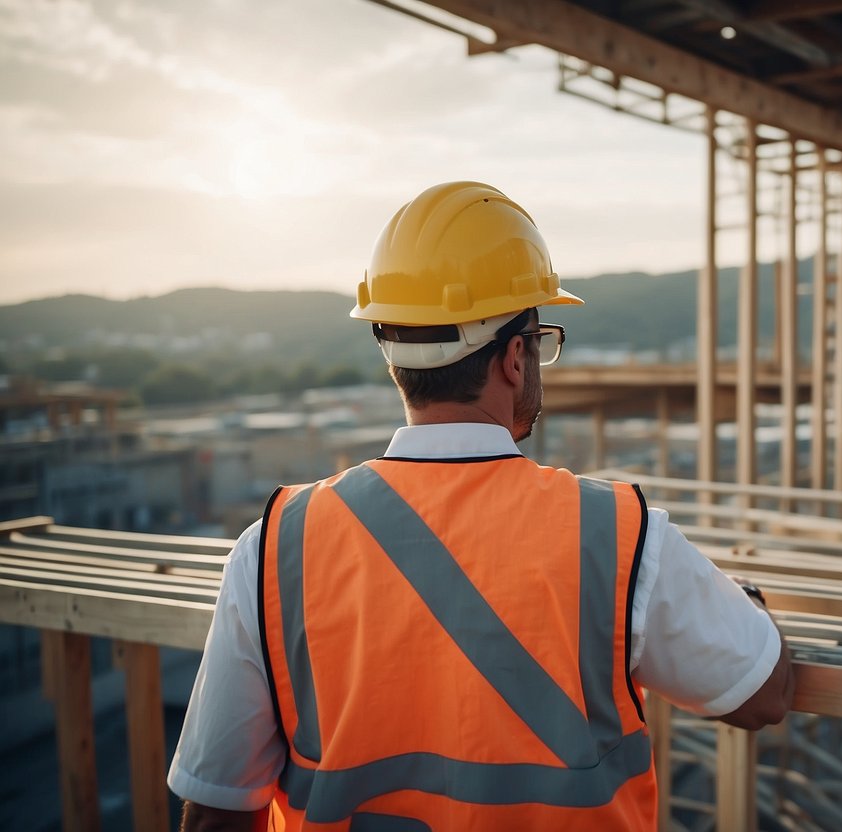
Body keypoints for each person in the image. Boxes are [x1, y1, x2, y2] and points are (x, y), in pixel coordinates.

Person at [169, 181, 795, 831]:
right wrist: (743, 602)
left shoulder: (273, 548)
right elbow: (762, 693)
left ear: (393, 358)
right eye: (541, 338)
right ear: (515, 358)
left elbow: (215, 811)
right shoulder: (617, 538)